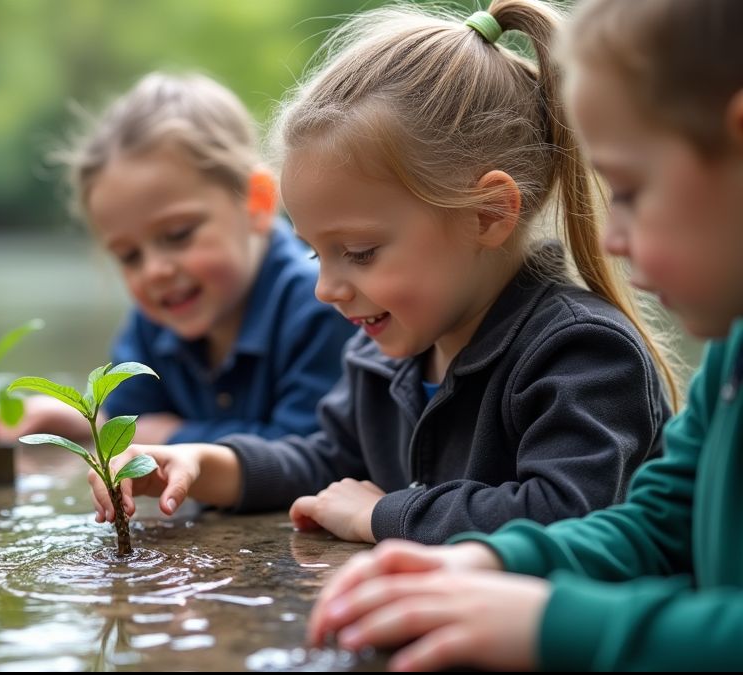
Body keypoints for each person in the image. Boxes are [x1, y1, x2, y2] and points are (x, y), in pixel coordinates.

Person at [90, 0, 679, 546]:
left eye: (361, 251)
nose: (326, 289)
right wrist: (206, 463)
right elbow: (324, 462)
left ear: (489, 213)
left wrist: (385, 514)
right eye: (318, 254)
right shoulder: (382, 357)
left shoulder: (583, 353)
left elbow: (567, 512)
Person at [304, 0, 743, 670]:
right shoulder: (730, 360)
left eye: (628, 189)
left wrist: (546, 621)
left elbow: (576, 510)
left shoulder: (580, 345)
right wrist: (488, 560)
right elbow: (656, 525)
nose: (610, 237)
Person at [0, 72, 355, 446]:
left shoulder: (321, 305)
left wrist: (177, 436)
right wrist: (84, 423)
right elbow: (133, 420)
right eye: (129, 256)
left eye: (178, 235)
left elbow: (313, 452)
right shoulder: (155, 323)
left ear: (257, 202)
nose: (155, 271)